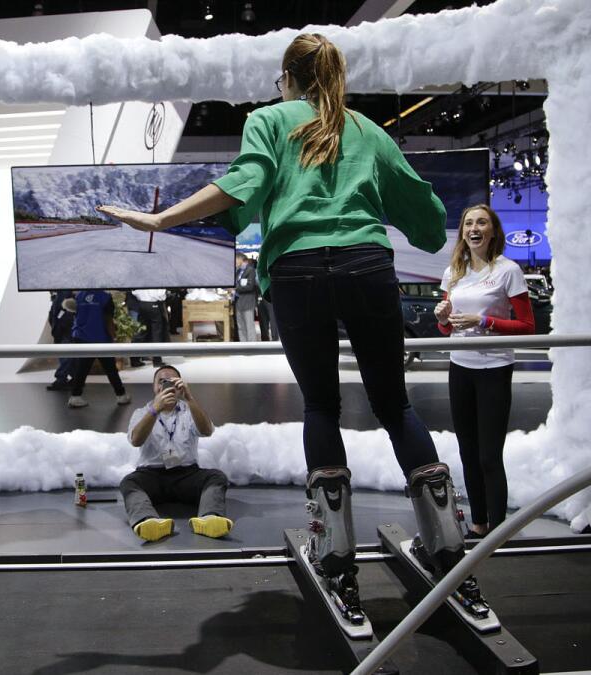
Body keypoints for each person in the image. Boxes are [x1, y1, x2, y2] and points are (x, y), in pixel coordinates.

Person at [97, 33, 488, 619]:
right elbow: (428, 220)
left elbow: (241, 190)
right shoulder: (368, 131)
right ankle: (449, 552)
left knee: (321, 408)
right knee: (395, 407)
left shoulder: (270, 121)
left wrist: (158, 217)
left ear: (288, 78)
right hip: (367, 266)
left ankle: (338, 561)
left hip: (299, 273)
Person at [435, 205, 535, 538]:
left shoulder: (509, 270)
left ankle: (498, 529)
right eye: (468, 223)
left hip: (494, 368)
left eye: (481, 222)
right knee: (467, 452)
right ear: (463, 231)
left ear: (493, 231)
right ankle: (478, 524)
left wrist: (485, 321)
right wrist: (443, 316)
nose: (474, 228)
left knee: (489, 455)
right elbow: (447, 330)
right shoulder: (454, 271)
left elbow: (526, 326)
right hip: (459, 368)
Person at [121, 365, 231, 542]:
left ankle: (209, 517)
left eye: (172, 382)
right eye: (162, 382)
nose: (166, 386)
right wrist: (155, 410)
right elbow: (136, 440)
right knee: (129, 482)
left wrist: (190, 398)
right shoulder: (141, 412)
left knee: (216, 477)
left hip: (187, 474)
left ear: (180, 385)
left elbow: (206, 431)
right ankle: (148, 520)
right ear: (154, 386)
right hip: (151, 475)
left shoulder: (190, 410)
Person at [67, 289, 131, 408]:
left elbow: (77, 314)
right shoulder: (105, 297)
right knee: (110, 368)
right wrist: (114, 337)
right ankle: (121, 395)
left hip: (81, 336)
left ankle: (75, 396)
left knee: (82, 368)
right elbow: (108, 320)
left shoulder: (79, 295)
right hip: (100, 338)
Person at [129, 288, 169, 367]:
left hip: (142, 304)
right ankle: (157, 360)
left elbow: (134, 292)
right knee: (157, 333)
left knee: (141, 331)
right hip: (154, 304)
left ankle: (134, 359)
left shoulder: (142, 279)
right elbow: (161, 294)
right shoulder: (156, 280)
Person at [47, 290, 77, 391]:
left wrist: (59, 328)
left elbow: (62, 315)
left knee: (65, 356)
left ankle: (61, 379)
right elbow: (54, 315)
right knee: (67, 356)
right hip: (62, 331)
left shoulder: (64, 294)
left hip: (64, 331)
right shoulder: (60, 295)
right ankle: (74, 377)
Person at [233, 253, 259, 342]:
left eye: (235, 259)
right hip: (238, 302)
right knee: (241, 326)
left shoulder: (250, 270)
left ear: (241, 259)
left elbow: (250, 286)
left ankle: (252, 347)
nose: (234, 262)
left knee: (249, 326)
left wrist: (235, 289)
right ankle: (243, 346)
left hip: (248, 302)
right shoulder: (238, 271)